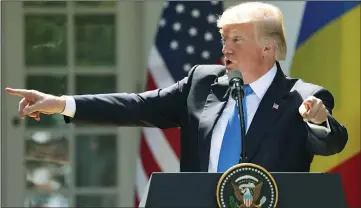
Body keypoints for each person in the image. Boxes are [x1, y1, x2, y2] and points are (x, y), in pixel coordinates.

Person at [6, 2, 347, 173]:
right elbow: (138, 105)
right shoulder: (202, 84)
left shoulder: (303, 97)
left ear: (267, 49)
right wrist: (62, 103)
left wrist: (318, 119)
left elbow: (332, 142)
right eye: (224, 38)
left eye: (237, 39)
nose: (225, 48)